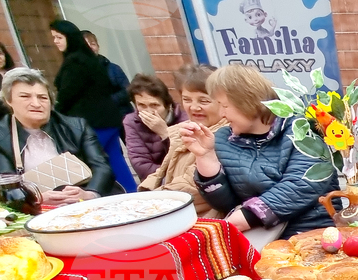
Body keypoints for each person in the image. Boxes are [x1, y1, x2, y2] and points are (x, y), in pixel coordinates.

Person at [180, 64, 338, 238]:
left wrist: (245, 217)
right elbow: (226, 204)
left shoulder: (300, 130)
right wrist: (205, 156)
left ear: (247, 102)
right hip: (259, 237)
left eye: (224, 106)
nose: (221, 114)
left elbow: (302, 185)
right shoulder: (224, 139)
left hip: (313, 231)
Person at [0, 68, 118, 204]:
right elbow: (7, 186)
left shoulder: (77, 126)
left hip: (84, 202)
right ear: (9, 100)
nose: (36, 104)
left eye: (42, 97)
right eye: (25, 96)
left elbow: (101, 166)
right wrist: (37, 198)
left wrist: (90, 193)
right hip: (37, 209)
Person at [49, 20, 137, 192]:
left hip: (93, 123)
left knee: (89, 165)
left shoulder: (75, 62)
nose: (55, 41)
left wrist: (55, 115)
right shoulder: (90, 59)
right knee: (115, 161)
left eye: (59, 37)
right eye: (54, 37)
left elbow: (66, 96)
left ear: (69, 37)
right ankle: (131, 193)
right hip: (109, 120)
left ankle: (100, 197)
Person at [139, 65, 226, 217]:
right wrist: (143, 194)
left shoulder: (224, 135)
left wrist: (149, 201)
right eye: (186, 99)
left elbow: (194, 185)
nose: (194, 107)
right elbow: (163, 171)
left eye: (203, 101)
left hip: (203, 219)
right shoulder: (184, 130)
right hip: (173, 210)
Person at [124, 74, 186, 181]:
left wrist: (165, 133)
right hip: (155, 180)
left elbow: (185, 161)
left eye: (154, 105)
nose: (148, 111)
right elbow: (140, 164)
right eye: (142, 105)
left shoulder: (184, 118)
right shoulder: (131, 121)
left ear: (168, 105)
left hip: (184, 178)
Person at [81, 30, 133, 125]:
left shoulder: (113, 68)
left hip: (123, 117)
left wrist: (108, 102)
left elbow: (128, 92)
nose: (90, 48)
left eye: (92, 44)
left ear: (98, 46)